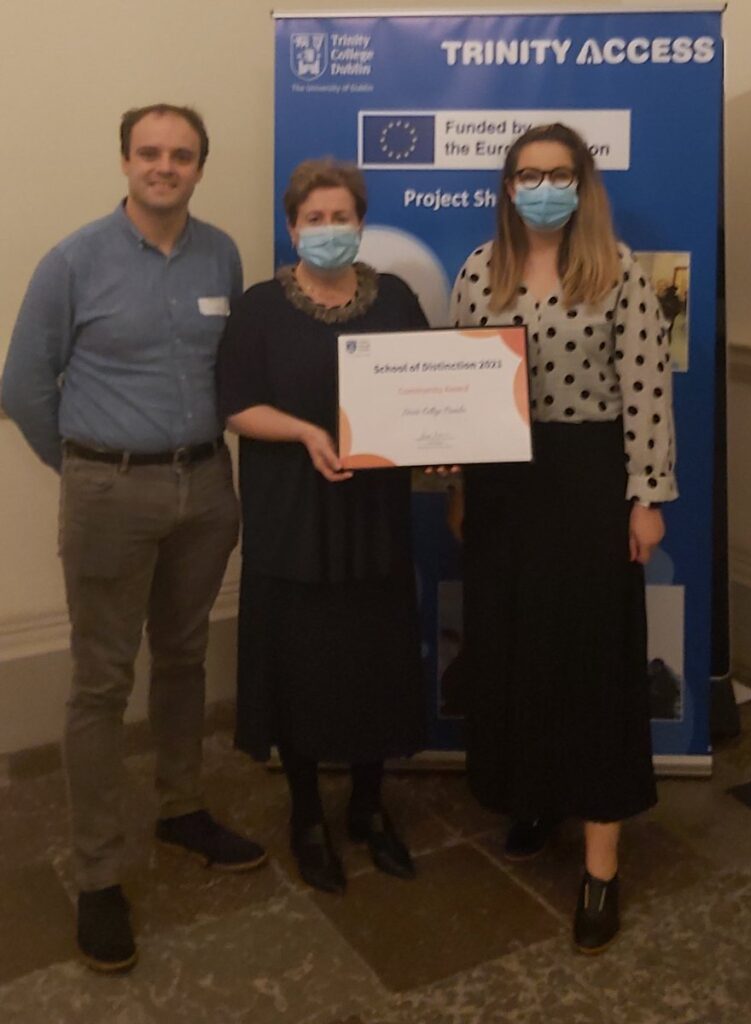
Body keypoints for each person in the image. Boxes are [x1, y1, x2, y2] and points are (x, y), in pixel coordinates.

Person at [1, 104, 266, 973]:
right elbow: (24, 384)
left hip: (206, 488)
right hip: (109, 490)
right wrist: (87, 467)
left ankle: (182, 806)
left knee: (185, 657)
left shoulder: (221, 252)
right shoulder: (74, 260)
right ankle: (99, 872)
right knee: (101, 683)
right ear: (125, 161)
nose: (165, 167)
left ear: (199, 165)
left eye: (181, 154)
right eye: (149, 153)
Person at [450, 123, 677, 953]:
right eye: (526, 174)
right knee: (514, 651)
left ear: (583, 183)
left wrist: (645, 498)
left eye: (558, 173)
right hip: (505, 486)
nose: (542, 186)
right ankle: (533, 797)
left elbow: (649, 392)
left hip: (589, 483)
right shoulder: (480, 269)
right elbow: (457, 383)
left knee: (591, 657)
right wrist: (461, 482)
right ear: (507, 186)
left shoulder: (617, 273)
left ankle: (603, 865)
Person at [217, 158, 427, 894]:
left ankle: (369, 807)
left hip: (374, 517)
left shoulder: (396, 300)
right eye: (315, 219)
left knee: (375, 662)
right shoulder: (258, 309)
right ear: (291, 226)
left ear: (360, 223)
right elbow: (236, 404)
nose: (329, 230)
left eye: (342, 218)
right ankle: (307, 814)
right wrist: (307, 433)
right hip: (292, 516)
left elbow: (430, 390)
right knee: (300, 669)